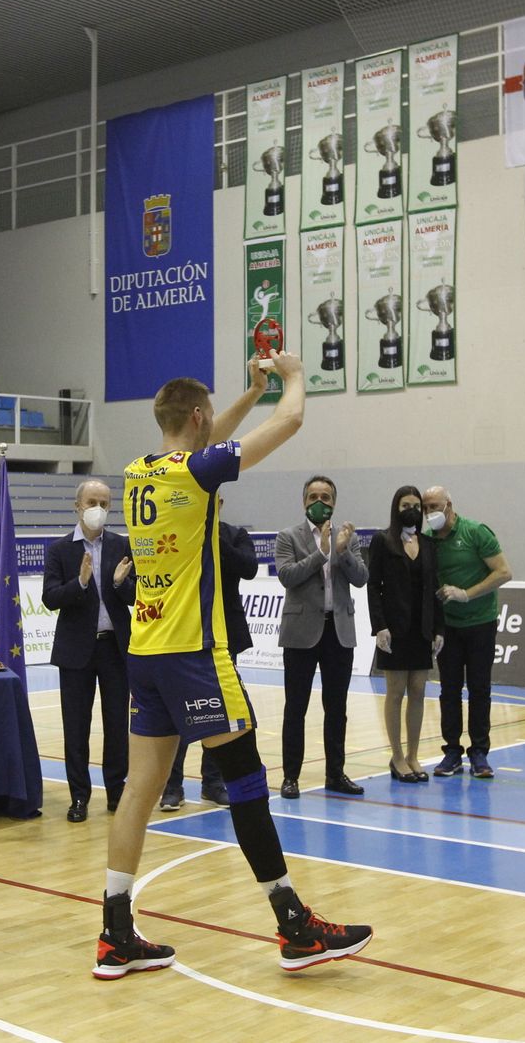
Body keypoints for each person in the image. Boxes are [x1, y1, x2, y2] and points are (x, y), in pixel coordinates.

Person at [95, 351, 371, 980]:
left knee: (139, 790)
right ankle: (294, 925)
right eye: (211, 415)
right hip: (196, 654)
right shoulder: (198, 471)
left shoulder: (141, 469)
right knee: (246, 782)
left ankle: (115, 932)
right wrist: (291, 381)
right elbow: (290, 423)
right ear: (197, 416)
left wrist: (248, 393)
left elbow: (207, 441)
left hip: (146, 652)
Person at [42, 480, 135, 822]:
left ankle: (116, 793)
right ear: (77, 506)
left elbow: (136, 595)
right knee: (76, 728)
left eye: (104, 503)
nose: (98, 508)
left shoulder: (122, 545)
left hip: (115, 649)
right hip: (75, 651)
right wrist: (80, 583)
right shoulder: (60, 550)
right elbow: (50, 597)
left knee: (116, 725)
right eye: (92, 501)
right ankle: (78, 797)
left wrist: (120, 583)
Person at [273, 475, 367, 799]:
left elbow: (361, 578)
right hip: (301, 633)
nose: (319, 501)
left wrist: (342, 551)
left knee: (336, 708)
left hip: (338, 631)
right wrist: (321, 553)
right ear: (304, 502)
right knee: (295, 707)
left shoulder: (347, 536)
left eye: (325, 497)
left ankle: (335, 774)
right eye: (313, 496)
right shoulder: (288, 536)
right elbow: (287, 576)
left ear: (334, 502)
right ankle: (290, 777)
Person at [161, 497, 255, 810]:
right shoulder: (177, 533)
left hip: (224, 636)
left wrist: (210, 534)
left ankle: (212, 782)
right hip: (185, 633)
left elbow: (249, 568)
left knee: (220, 712)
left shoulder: (234, 534)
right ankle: (172, 785)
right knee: (180, 711)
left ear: (221, 503)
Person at [422, 486, 512, 780]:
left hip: (480, 623)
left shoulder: (475, 532)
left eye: (434, 506)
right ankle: (451, 751)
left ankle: (479, 752)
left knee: (479, 688)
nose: (429, 513)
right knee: (448, 690)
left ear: (449, 505)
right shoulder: (428, 541)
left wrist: (466, 594)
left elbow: (503, 572)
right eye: (425, 508)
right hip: (447, 627)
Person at [366, 487, 444, 783]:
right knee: (396, 692)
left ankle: (413, 755)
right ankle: (397, 756)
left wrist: (439, 628)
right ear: (395, 508)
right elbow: (374, 586)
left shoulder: (428, 543)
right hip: (394, 629)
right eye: (404, 504)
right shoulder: (383, 540)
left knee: (419, 692)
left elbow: (435, 588)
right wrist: (379, 626)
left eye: (415, 505)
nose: (410, 509)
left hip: (421, 629)